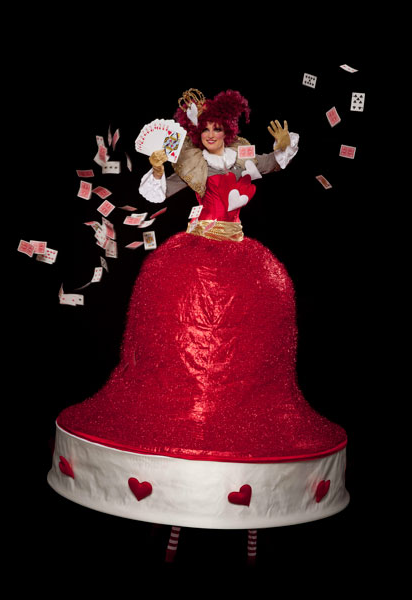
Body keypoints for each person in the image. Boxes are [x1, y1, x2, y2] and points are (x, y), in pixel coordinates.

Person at [48, 89, 349, 565]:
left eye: (218, 129)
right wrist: (157, 169)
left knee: (251, 350)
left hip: (243, 263)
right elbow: (159, 192)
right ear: (197, 132)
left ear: (229, 132)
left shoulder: (241, 161)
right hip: (189, 257)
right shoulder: (193, 167)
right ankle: (172, 510)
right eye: (205, 128)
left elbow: (268, 164)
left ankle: (247, 518)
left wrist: (283, 148)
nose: (211, 134)